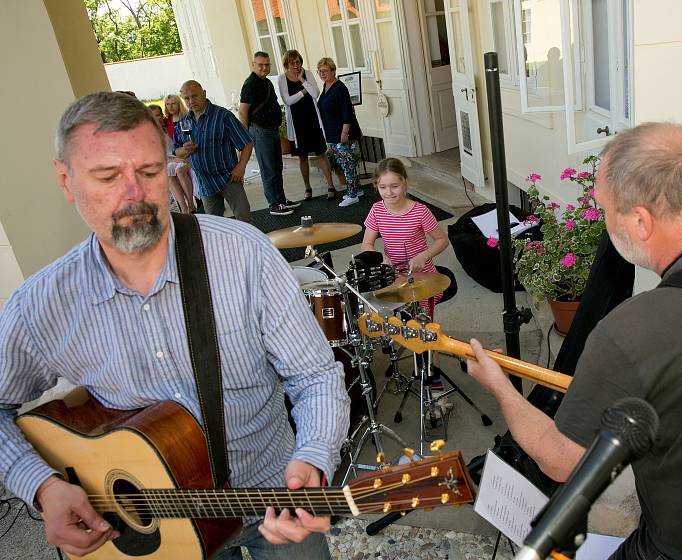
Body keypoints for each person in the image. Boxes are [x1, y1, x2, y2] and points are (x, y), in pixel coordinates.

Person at [0, 91, 350, 559]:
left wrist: (313, 459)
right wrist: (43, 485)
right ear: (65, 180)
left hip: (273, 497)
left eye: (149, 171)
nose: (134, 195)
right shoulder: (40, 305)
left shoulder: (243, 254)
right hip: (154, 531)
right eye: (107, 176)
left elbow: (316, 376)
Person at [466, 122, 682, 560]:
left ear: (640, 220)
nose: (605, 220)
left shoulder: (630, 331)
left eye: (606, 209)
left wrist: (500, 387)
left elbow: (560, 461)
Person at [361, 157, 450, 389]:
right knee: (386, 314)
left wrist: (423, 256)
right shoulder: (376, 210)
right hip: (395, 278)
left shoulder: (420, 211)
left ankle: (433, 380)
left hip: (423, 278)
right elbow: (366, 244)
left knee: (424, 327)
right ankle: (402, 346)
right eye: (382, 187)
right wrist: (382, 257)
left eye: (395, 186)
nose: (389, 192)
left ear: (405, 183)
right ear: (376, 187)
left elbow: (442, 240)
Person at [174, 80, 253, 222]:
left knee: (244, 221)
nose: (191, 101)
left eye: (195, 96)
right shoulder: (184, 122)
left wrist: (241, 167)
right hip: (205, 182)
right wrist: (184, 150)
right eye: (187, 98)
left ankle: (254, 244)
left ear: (204, 94)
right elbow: (176, 151)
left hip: (229, 178)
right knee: (214, 227)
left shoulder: (222, 116)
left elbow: (246, 142)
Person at [239, 51, 301, 216]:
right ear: (253, 65)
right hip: (260, 131)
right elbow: (243, 111)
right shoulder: (250, 84)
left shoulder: (265, 82)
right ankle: (274, 204)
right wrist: (245, 137)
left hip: (271, 130)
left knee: (276, 167)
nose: (264, 68)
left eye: (267, 64)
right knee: (268, 170)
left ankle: (280, 200)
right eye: (260, 65)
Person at [277, 50, 337, 201]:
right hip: (297, 124)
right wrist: (304, 91)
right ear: (287, 64)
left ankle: (330, 186)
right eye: (292, 63)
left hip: (312, 119)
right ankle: (307, 188)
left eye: (298, 61)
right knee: (302, 157)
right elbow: (288, 101)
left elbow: (315, 93)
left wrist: (302, 80)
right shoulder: (282, 79)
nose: (296, 65)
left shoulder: (307, 74)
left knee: (321, 153)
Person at [316, 57, 363, 208]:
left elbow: (347, 111)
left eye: (325, 70)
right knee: (345, 162)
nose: (322, 73)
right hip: (333, 132)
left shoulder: (339, 88)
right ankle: (357, 189)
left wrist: (344, 133)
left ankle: (352, 194)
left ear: (333, 71)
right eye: (320, 71)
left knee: (346, 163)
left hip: (343, 132)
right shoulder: (326, 86)